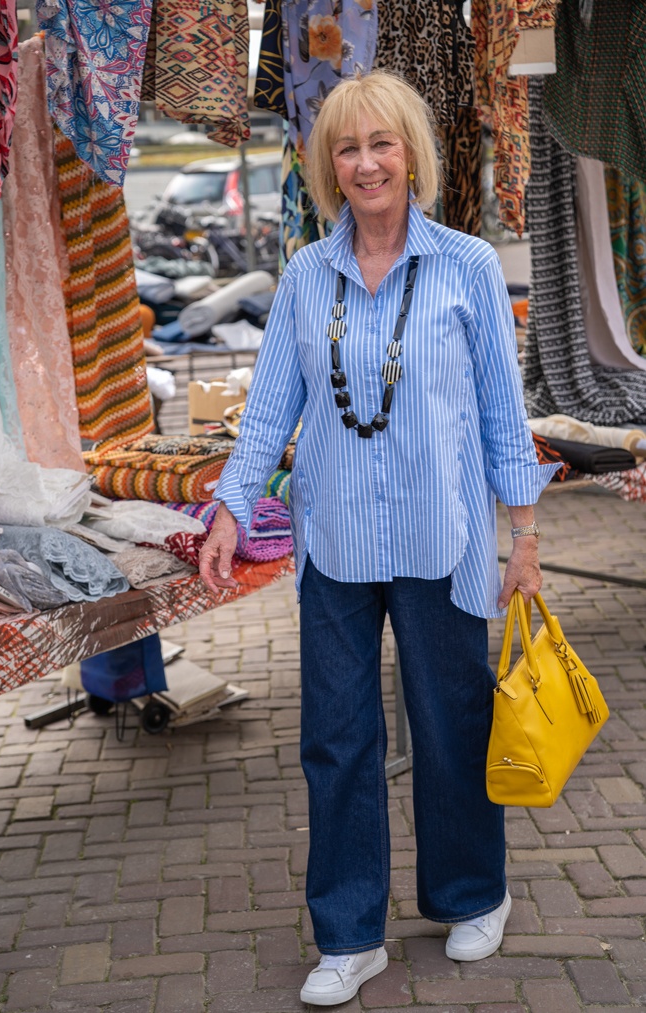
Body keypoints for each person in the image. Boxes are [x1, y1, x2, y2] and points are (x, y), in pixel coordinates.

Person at [199, 71, 558, 1008]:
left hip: (443, 538)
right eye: (348, 149)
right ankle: (350, 933)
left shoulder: (469, 267)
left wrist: (522, 534)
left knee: (454, 727)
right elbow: (270, 404)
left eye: (381, 145)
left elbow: (499, 417)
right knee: (338, 738)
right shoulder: (303, 278)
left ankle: (472, 892)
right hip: (337, 546)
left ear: (411, 155)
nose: (365, 164)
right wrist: (232, 505)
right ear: (328, 167)